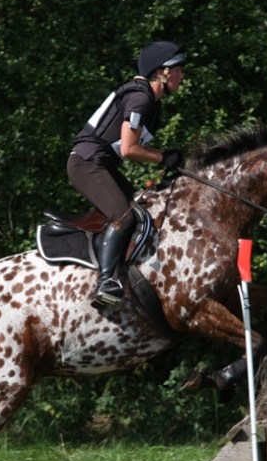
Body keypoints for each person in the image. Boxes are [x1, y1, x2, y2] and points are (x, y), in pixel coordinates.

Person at [67, 40, 186, 307]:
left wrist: (167, 158)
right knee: (123, 216)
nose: (182, 75)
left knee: (145, 211)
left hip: (101, 165)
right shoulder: (140, 98)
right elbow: (129, 149)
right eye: (178, 69)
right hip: (86, 163)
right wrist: (164, 156)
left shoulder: (151, 102)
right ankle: (105, 282)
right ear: (162, 72)